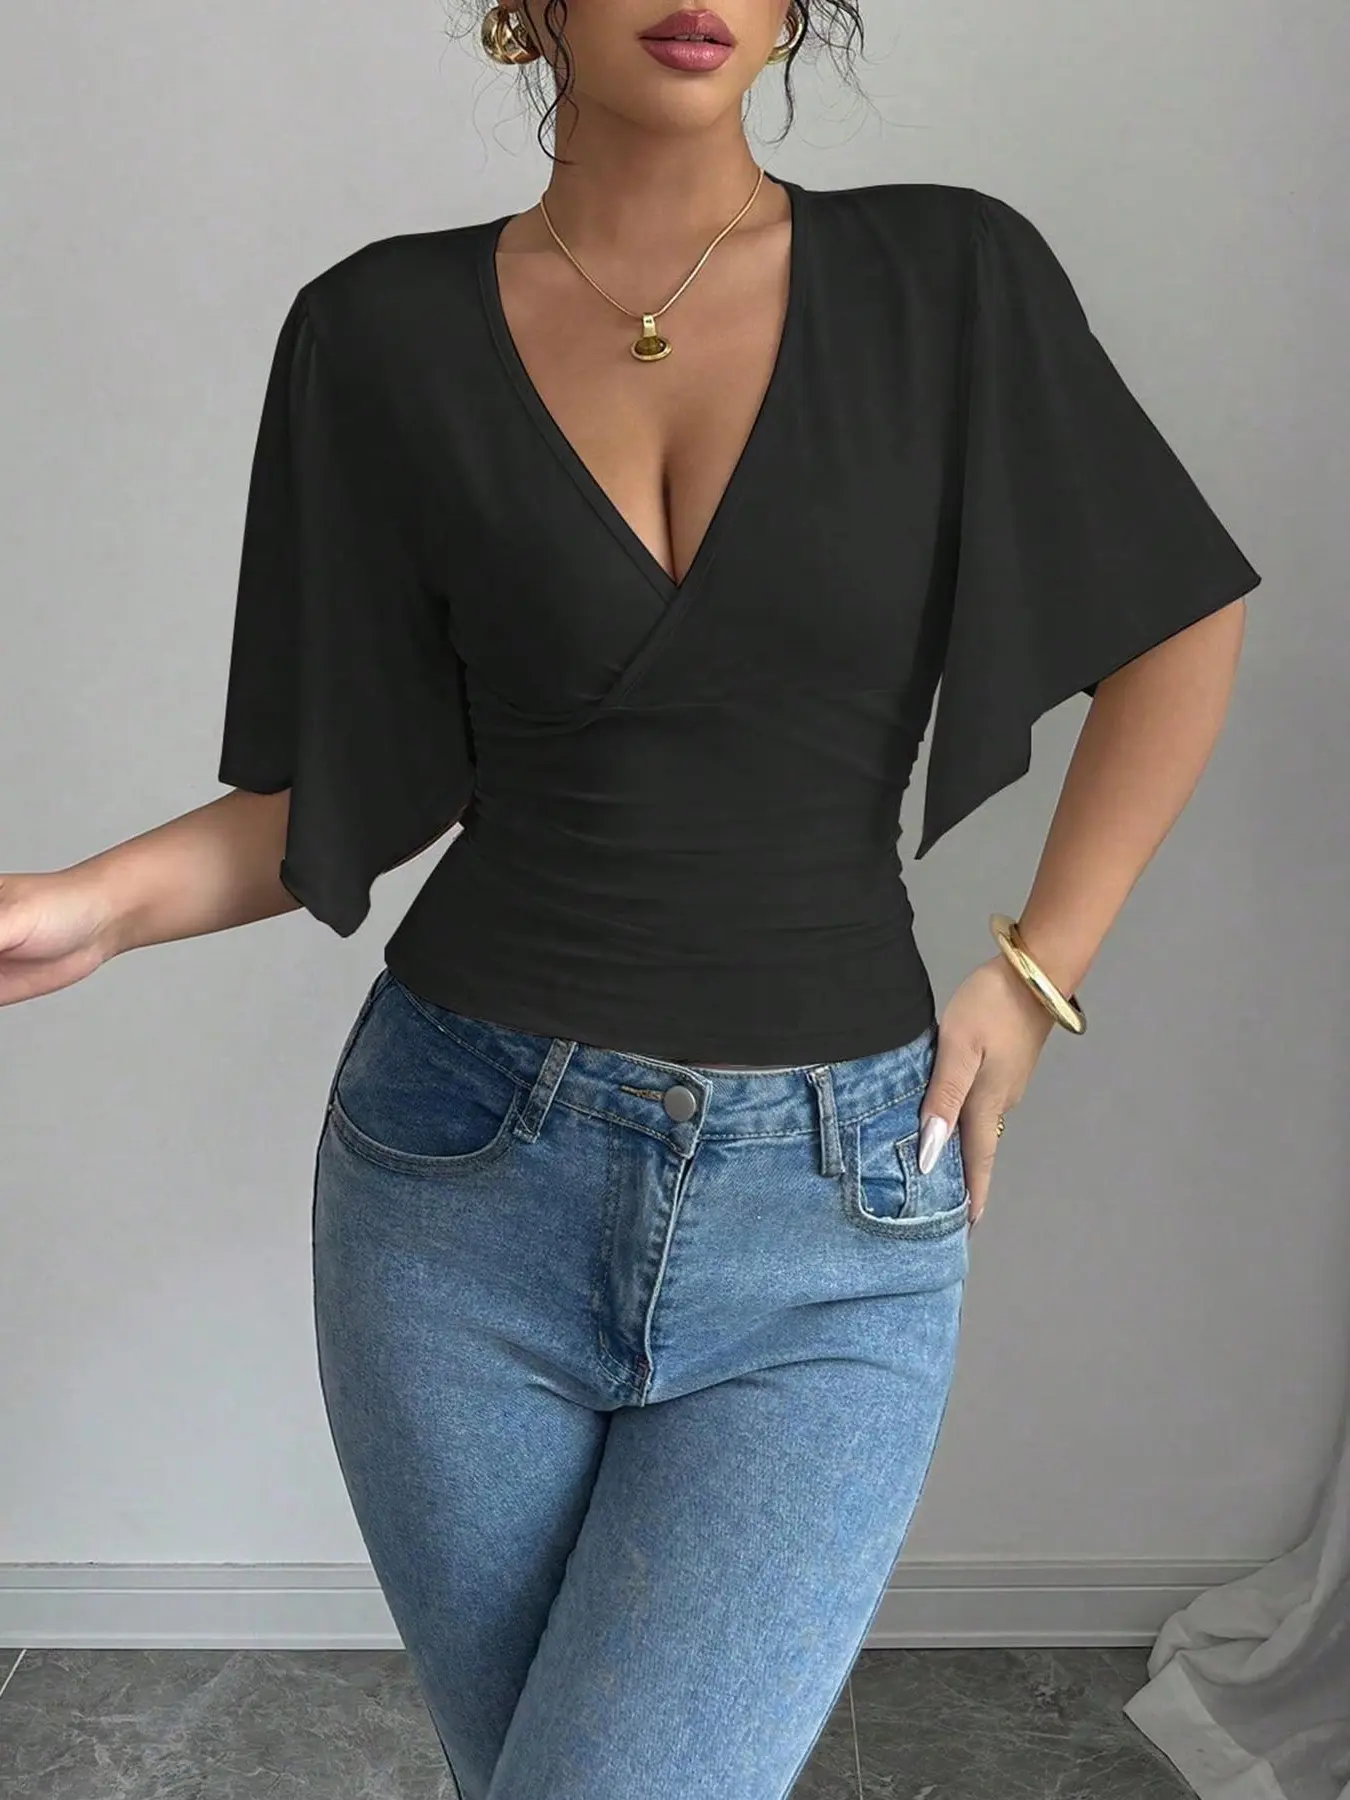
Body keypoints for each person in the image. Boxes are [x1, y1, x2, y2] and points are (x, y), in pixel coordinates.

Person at [1, 3, 1261, 1796]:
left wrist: (1035, 975)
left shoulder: (947, 276)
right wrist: (93, 906)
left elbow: (1174, 619)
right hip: (455, 1184)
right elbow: (353, 786)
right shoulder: (376, 329)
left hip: (829, 1219)